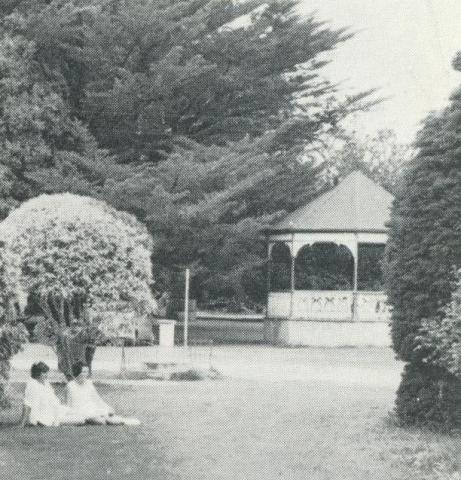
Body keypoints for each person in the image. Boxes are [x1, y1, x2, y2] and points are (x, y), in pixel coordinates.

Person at [66, 362, 140, 426]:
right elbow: (69, 403)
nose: (86, 374)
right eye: (84, 372)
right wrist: (72, 414)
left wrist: (107, 407)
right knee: (100, 421)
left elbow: (97, 399)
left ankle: (123, 421)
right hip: (80, 410)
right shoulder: (70, 385)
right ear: (77, 372)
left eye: (87, 372)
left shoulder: (89, 383)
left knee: (109, 418)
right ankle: (105, 419)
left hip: (91, 407)